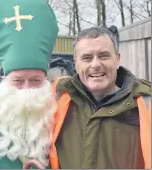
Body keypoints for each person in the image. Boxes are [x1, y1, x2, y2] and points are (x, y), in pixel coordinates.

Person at [0, 0, 58, 169]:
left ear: (46, 80)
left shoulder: (62, 119)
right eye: (18, 81)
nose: (26, 90)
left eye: (35, 81)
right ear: (4, 80)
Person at [49, 26, 151, 169]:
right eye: (87, 58)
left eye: (103, 56)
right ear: (76, 63)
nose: (95, 64)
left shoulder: (146, 104)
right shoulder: (56, 97)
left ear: (117, 59)